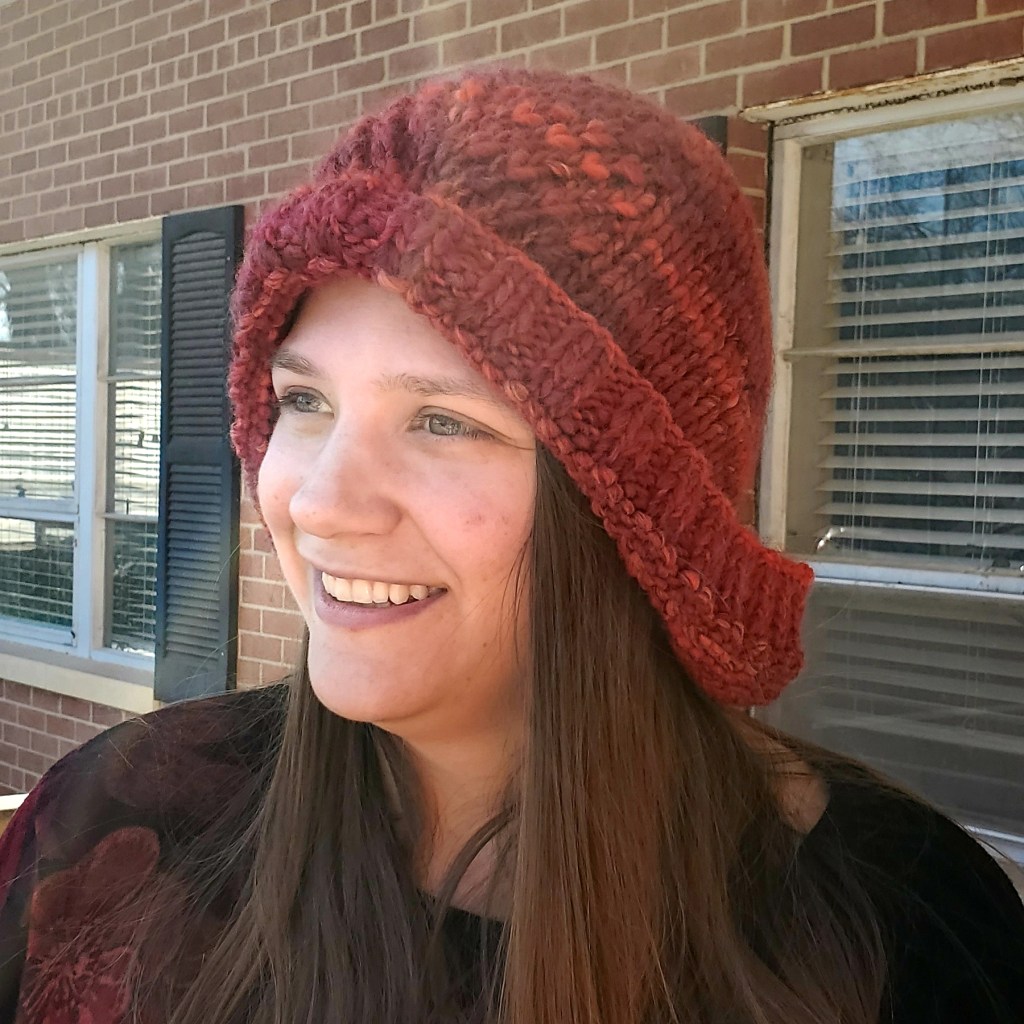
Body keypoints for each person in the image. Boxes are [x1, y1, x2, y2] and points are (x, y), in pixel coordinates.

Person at [0, 66, 1021, 1024]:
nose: (320, 501)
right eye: (303, 400)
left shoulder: (901, 924)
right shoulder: (104, 823)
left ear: (637, 511)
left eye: (445, 420)